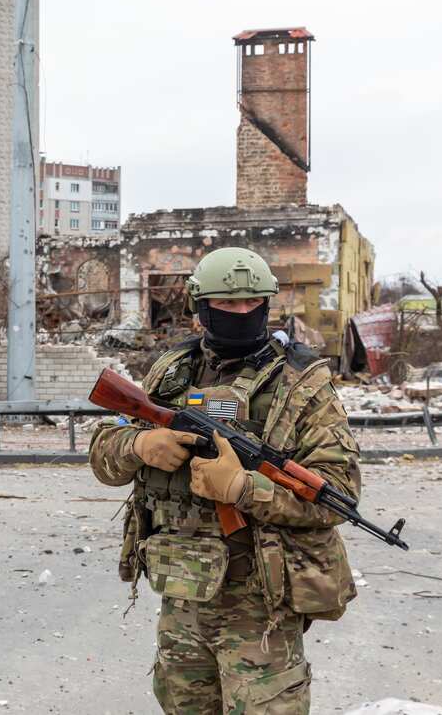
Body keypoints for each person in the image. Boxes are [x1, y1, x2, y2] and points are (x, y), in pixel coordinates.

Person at [89, 246, 362, 714]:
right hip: (183, 590)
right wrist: (138, 446)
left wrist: (241, 489)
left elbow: (336, 497)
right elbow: (102, 455)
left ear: (267, 304)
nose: (240, 312)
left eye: (251, 303)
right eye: (226, 303)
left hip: (262, 606)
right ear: (201, 306)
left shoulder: (302, 383)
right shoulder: (170, 371)